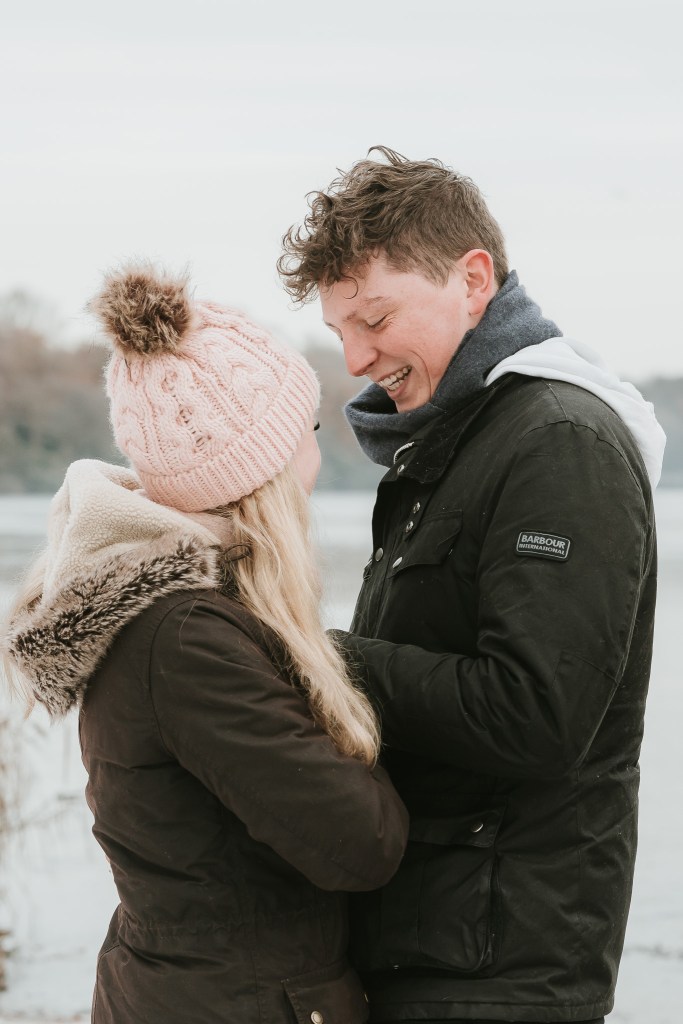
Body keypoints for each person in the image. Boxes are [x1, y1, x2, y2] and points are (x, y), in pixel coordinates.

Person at [278, 147, 666, 1024]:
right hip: (429, 946)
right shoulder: (449, 447)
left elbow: (536, 716)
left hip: (503, 972)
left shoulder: (559, 441)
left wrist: (323, 659)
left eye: (374, 318)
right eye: (340, 331)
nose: (355, 357)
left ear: (473, 280)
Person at [2, 264, 409, 1024]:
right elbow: (362, 843)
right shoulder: (186, 640)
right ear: (265, 468)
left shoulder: (182, 617)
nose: (317, 455)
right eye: (308, 432)